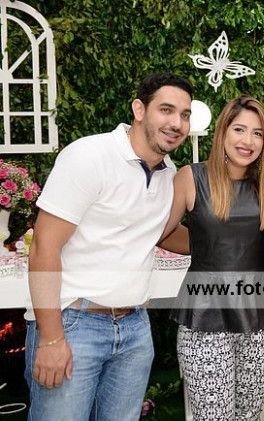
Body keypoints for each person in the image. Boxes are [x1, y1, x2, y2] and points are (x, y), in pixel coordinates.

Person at [25, 73, 193, 421]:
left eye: (185, 114)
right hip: (74, 323)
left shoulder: (168, 172)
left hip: (135, 328)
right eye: (166, 110)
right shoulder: (89, 155)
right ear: (139, 109)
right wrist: (52, 338)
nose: (177, 123)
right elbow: (44, 246)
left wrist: (229, 243)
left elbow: (160, 233)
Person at [159, 95, 264, 420]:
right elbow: (161, 233)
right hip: (205, 314)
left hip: (262, 318)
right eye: (239, 129)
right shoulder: (191, 177)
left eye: (257, 133)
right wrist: (208, 246)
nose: (248, 141)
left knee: (248, 415)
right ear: (223, 132)